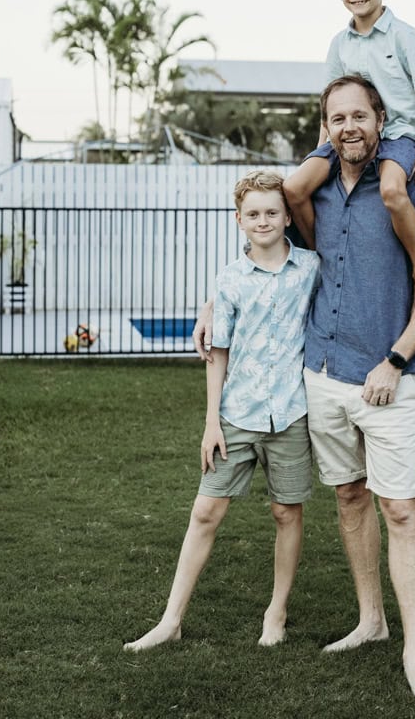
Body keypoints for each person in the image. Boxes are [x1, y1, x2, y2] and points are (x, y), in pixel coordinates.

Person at [194, 77, 415, 700]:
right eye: (336, 118)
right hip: (322, 375)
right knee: (348, 498)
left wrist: (396, 359)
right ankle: (371, 620)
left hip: (387, 377)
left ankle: (414, 655)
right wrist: (213, 299)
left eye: (359, 116)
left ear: (380, 119)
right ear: (325, 127)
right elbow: (267, 245)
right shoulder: (313, 194)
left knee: (402, 508)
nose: (349, 127)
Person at [125, 170, 319, 653]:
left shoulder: (312, 268)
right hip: (237, 413)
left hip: (291, 414)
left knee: (285, 512)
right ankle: (171, 620)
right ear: (239, 221)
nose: (263, 220)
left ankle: (277, 611)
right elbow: (219, 352)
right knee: (206, 510)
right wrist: (212, 421)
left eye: (272, 212)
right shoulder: (229, 279)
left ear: (287, 216)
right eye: (253, 214)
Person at [284, 0, 415, 305]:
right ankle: (320, 259)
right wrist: (319, 152)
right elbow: (329, 107)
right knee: (294, 189)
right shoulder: (339, 44)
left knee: (391, 191)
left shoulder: (405, 36)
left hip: (397, 134)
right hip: (347, 135)